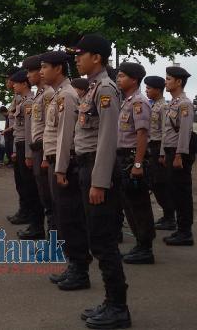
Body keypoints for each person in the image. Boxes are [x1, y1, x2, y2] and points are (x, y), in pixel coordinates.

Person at [72, 34, 131, 329]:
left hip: (98, 170)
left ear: (96, 57)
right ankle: (111, 301)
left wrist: (99, 182)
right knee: (97, 237)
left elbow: (108, 139)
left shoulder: (105, 88)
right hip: (88, 167)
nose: (76, 59)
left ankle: (118, 307)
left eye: (80, 54)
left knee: (104, 240)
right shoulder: (93, 87)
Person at [40, 51, 92, 292]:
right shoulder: (58, 95)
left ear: (58, 68)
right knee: (64, 217)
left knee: (71, 218)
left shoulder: (67, 96)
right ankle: (73, 264)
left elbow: (65, 135)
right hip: (57, 162)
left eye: (45, 67)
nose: (41, 71)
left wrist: (60, 168)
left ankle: (80, 269)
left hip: (66, 165)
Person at [116, 62, 156, 265]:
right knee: (129, 204)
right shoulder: (127, 101)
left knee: (139, 204)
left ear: (133, 80)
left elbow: (142, 134)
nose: (118, 79)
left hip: (133, 157)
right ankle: (140, 244)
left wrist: (138, 164)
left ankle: (145, 247)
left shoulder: (139, 102)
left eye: (122, 76)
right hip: (123, 157)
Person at [160, 66, 195, 246]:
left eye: (168, 79)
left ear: (179, 82)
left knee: (182, 193)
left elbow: (184, 132)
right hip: (170, 151)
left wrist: (179, 155)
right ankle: (181, 229)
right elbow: (166, 131)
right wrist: (163, 153)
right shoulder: (172, 103)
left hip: (178, 152)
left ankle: (185, 232)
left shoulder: (184, 104)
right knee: (174, 191)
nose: (165, 82)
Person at [23, 54, 56, 233]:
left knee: (49, 197)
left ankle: (54, 238)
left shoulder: (49, 94)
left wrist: (44, 156)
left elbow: (50, 127)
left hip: (44, 149)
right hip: (37, 148)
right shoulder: (40, 94)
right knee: (43, 194)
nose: (28, 75)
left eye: (31, 71)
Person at [11, 69, 44, 240]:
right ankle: (32, 223)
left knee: (31, 188)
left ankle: (36, 226)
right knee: (25, 185)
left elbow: (30, 130)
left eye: (15, 83)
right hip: (20, 144)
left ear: (24, 84)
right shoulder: (23, 101)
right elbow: (18, 129)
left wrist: (28, 154)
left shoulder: (29, 102)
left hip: (26, 145)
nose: (13, 86)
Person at [144, 75, 175, 232]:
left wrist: (162, 153)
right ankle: (166, 215)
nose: (146, 91)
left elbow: (165, 132)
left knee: (160, 184)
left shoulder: (163, 107)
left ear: (157, 90)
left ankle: (170, 217)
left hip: (158, 148)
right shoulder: (153, 105)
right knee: (155, 183)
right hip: (152, 147)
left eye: (149, 88)